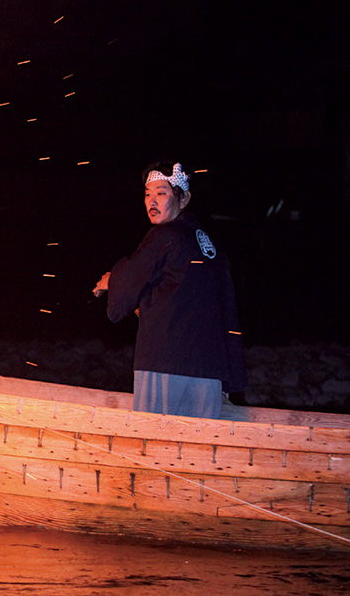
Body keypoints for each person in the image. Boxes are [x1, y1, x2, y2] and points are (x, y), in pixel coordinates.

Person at [93, 161, 248, 418]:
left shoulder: (165, 236)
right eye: (147, 195)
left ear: (183, 199)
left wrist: (113, 282)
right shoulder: (208, 246)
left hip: (166, 364)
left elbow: (130, 283)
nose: (152, 202)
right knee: (200, 439)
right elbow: (179, 301)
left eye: (161, 193)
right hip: (209, 369)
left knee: (155, 435)